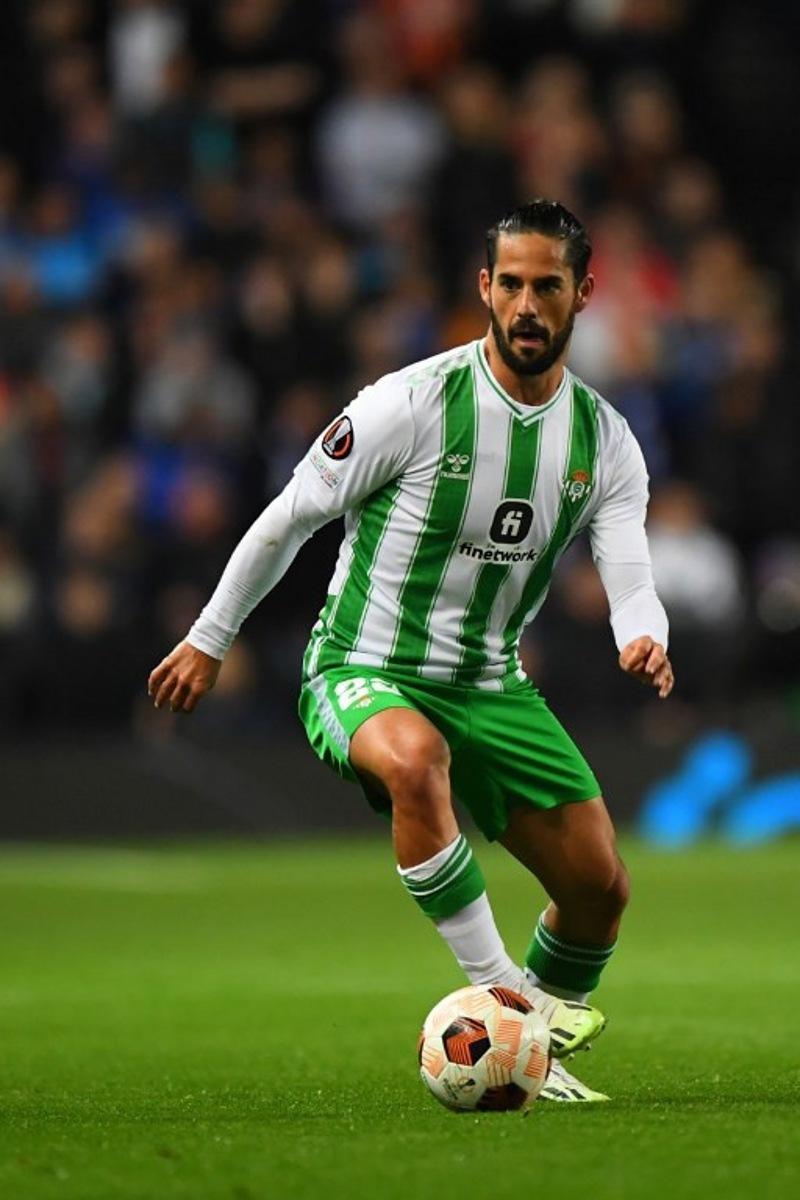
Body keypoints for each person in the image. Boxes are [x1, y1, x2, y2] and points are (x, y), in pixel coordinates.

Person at [148, 200, 674, 1103]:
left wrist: (645, 634)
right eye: (509, 283)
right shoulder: (409, 403)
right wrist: (209, 637)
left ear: (583, 293)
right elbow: (287, 520)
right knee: (415, 759)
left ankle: (531, 1047)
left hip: (491, 684)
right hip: (363, 667)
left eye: (547, 285)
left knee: (600, 891)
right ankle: (506, 997)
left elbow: (627, 567)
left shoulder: (605, 441)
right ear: (484, 287)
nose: (526, 305)